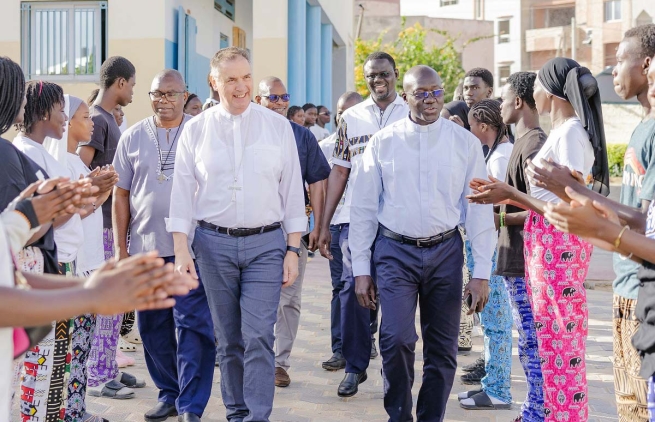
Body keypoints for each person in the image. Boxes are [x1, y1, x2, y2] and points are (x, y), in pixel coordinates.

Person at [349, 65, 495, 421]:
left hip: (446, 251)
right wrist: (360, 270)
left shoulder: (464, 143)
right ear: (405, 96)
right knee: (397, 338)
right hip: (394, 252)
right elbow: (364, 209)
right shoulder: (384, 142)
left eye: (436, 92)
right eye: (421, 93)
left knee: (443, 350)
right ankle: (398, 415)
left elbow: (477, 210)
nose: (430, 100)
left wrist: (481, 273)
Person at [467, 57, 610, 421]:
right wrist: (504, 195)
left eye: (540, 85)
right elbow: (550, 200)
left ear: (553, 91)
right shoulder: (563, 133)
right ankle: (551, 413)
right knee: (549, 344)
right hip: (545, 247)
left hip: (559, 248)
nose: (536, 92)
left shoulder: (571, 134)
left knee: (561, 343)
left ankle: (565, 416)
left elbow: (572, 207)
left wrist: (506, 195)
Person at [168, 47, 306, 422]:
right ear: (214, 83)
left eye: (246, 77)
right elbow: (181, 194)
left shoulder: (278, 128)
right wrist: (182, 251)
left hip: (267, 245)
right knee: (228, 339)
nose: (241, 86)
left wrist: (293, 249)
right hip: (213, 246)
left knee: (259, 334)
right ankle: (236, 412)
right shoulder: (195, 130)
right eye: (231, 79)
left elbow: (293, 193)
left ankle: (257, 416)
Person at [113, 69, 216, 422]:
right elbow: (121, 194)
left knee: (192, 327)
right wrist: (121, 249)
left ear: (185, 96)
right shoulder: (132, 136)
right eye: (158, 93)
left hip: (192, 248)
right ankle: (169, 392)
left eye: (172, 94)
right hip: (146, 247)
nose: (165, 100)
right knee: (152, 327)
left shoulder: (201, 130)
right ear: (150, 95)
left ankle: (191, 404)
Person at [317, 51, 409, 397]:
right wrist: (324, 224)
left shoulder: (411, 113)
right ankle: (355, 367)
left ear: (395, 74)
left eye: (383, 73)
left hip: (399, 225)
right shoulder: (351, 118)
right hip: (356, 222)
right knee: (352, 295)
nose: (377, 80)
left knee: (395, 297)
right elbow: (340, 169)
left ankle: (393, 366)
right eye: (371, 76)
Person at [471, 71, 546, 421]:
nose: (499, 105)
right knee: (527, 340)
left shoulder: (532, 143)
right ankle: (533, 407)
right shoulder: (522, 141)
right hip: (513, 255)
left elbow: (541, 211)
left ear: (517, 102)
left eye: (502, 99)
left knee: (530, 339)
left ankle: (535, 409)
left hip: (522, 256)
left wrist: (495, 217)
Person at [255, 76, 331, 387]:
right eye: (272, 97)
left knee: (289, 299)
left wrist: (317, 226)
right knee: (256, 299)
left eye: (284, 95)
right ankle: (255, 357)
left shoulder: (303, 137)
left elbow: (317, 182)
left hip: (292, 232)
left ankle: (279, 362)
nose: (280, 101)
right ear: (259, 101)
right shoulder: (248, 134)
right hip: (254, 231)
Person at [78, 56, 144, 400]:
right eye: (132, 85)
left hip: (113, 224)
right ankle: (99, 376)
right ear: (120, 83)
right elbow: (80, 168)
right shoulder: (99, 120)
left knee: (117, 304)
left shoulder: (107, 120)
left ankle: (109, 366)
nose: (133, 91)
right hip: (101, 225)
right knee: (109, 301)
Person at [457, 99, 514, 410]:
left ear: (482, 125)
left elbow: (499, 206)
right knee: (489, 321)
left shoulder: (500, 157)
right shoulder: (493, 154)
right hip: (485, 246)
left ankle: (499, 390)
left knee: (497, 322)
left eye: (470, 124)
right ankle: (491, 382)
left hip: (492, 248)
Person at [317, 91, 363, 370]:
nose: (344, 117)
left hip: (370, 226)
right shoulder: (325, 147)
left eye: (351, 112)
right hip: (337, 227)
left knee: (368, 287)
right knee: (342, 288)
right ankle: (340, 348)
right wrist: (321, 226)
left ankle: (364, 341)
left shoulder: (372, 142)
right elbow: (321, 191)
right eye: (340, 112)